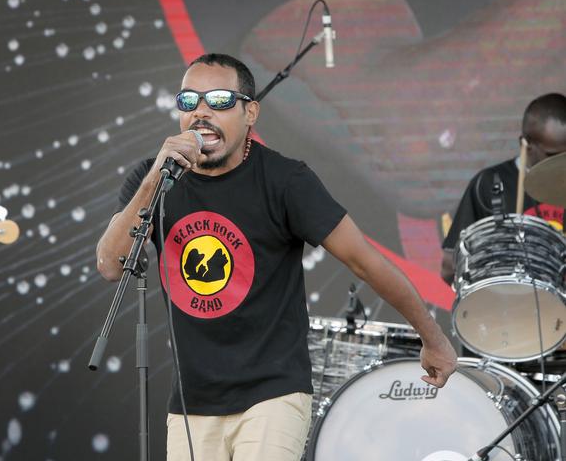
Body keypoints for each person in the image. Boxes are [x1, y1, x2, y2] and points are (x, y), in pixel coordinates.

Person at [96, 53, 457, 461]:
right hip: (192, 401)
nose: (201, 113)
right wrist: (155, 177)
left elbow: (365, 261)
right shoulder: (155, 178)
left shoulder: (286, 181)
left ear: (250, 112)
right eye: (188, 101)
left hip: (272, 393)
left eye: (217, 100)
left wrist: (433, 337)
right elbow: (111, 265)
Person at [441, 92, 566, 285]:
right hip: (509, 309)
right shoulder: (489, 185)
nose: (562, 163)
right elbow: (451, 266)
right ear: (526, 145)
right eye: (553, 155)